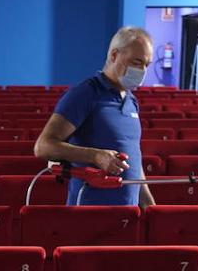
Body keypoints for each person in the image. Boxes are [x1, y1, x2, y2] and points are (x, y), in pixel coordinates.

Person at [34, 26, 155, 207]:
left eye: (147, 65)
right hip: (89, 212)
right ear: (114, 55)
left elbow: (133, 161)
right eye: (136, 62)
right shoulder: (84, 94)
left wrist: (150, 207)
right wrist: (95, 156)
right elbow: (43, 146)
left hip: (128, 215)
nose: (142, 71)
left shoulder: (132, 101)